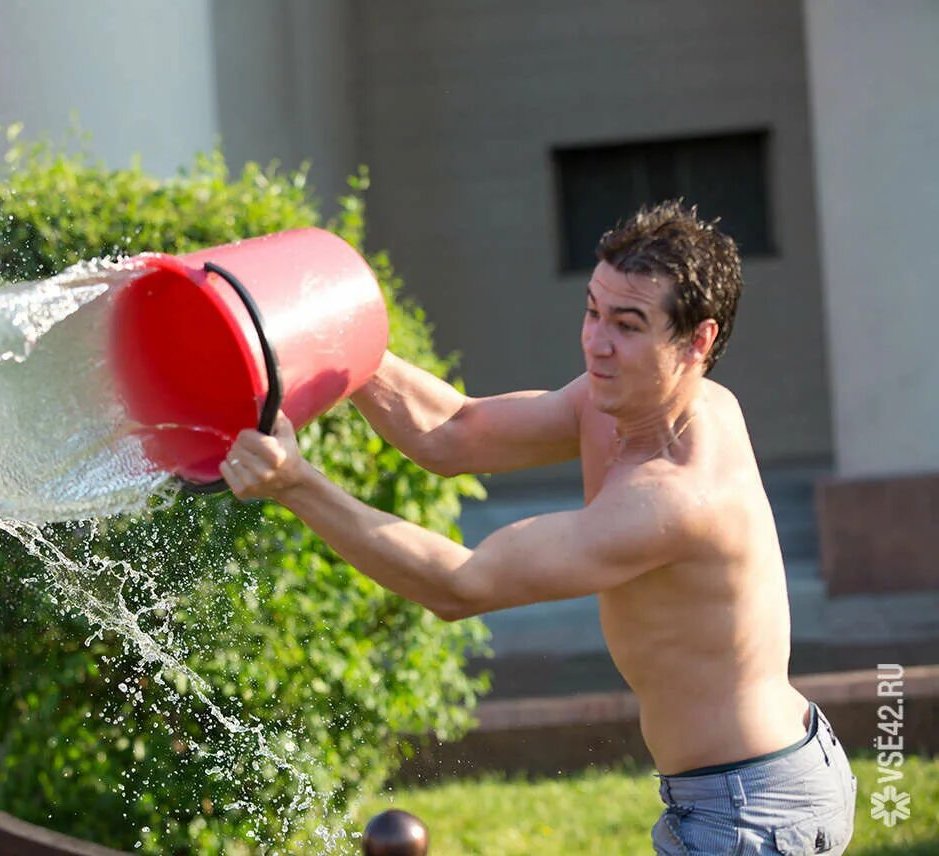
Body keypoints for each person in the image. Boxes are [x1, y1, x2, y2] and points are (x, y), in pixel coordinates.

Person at [218, 201, 856, 854]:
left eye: (629, 325)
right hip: (753, 781)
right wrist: (338, 342)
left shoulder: (676, 497)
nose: (597, 342)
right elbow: (456, 434)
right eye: (593, 310)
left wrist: (297, 485)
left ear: (698, 341)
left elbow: (461, 586)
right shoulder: (629, 399)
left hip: (749, 811)